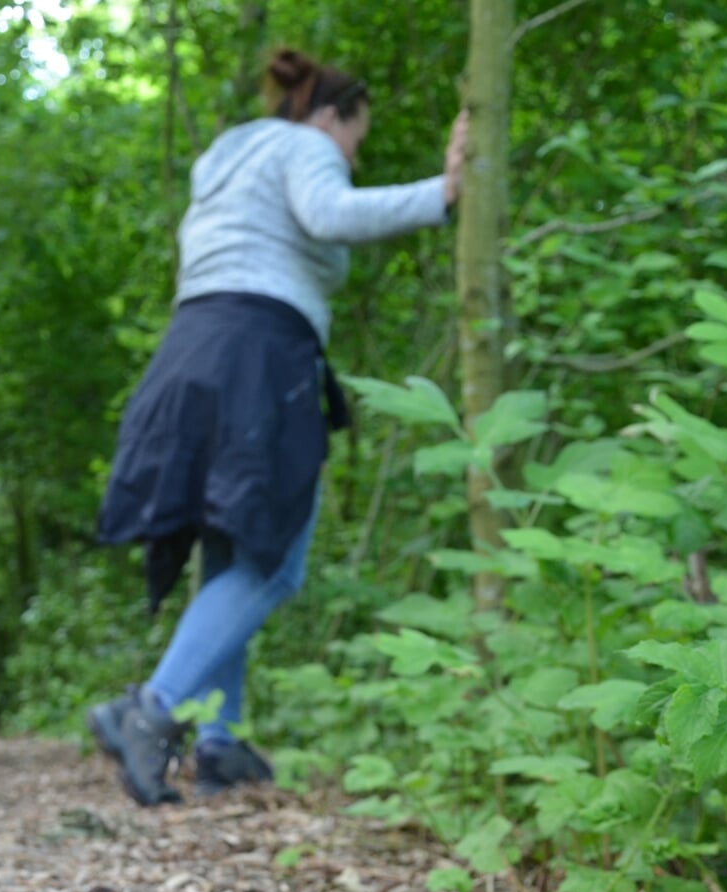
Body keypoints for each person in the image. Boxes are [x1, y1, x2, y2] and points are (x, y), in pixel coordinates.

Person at [90, 47, 466, 806]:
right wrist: (444, 192)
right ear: (330, 116)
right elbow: (330, 214)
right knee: (276, 562)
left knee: (233, 545)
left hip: (192, 350)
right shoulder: (302, 146)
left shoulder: (229, 163)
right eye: (353, 143)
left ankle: (220, 743)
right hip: (260, 354)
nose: (348, 161)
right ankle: (151, 709)